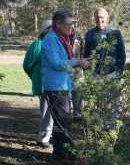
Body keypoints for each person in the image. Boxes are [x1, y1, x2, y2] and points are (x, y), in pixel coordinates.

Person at [41, 9, 90, 161]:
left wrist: (81, 61)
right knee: (64, 121)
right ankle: (70, 154)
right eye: (67, 24)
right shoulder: (51, 39)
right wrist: (76, 62)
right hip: (55, 86)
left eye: (71, 24)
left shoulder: (63, 37)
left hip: (64, 84)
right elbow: (55, 63)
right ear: (57, 24)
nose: (70, 27)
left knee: (61, 121)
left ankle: (59, 153)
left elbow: (66, 58)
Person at [83, 7, 126, 129]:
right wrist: (88, 73)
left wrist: (119, 71)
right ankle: (99, 127)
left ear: (107, 18)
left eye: (102, 17)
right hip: (95, 74)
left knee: (113, 103)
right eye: (97, 17)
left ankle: (112, 127)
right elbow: (86, 54)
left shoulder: (115, 32)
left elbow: (122, 53)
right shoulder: (90, 34)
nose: (99, 20)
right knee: (97, 102)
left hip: (112, 73)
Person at [23, 20, 54, 148]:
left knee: (53, 112)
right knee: (46, 111)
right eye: (53, 28)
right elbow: (27, 65)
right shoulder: (38, 44)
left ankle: (50, 135)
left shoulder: (55, 43)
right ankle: (43, 138)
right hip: (44, 83)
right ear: (46, 30)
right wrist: (36, 77)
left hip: (56, 83)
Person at [69, 20, 84, 118]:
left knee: (76, 91)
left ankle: (77, 113)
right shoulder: (59, 35)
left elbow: (83, 51)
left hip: (76, 69)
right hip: (63, 68)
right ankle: (65, 113)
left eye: (72, 22)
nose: (70, 25)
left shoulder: (78, 35)